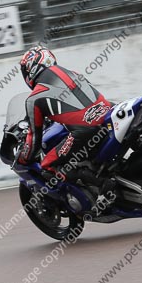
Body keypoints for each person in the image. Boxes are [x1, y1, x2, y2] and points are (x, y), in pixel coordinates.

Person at [16, 45, 114, 192]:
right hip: (109, 114)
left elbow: (34, 139)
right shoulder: (73, 73)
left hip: (85, 131)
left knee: (46, 166)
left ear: (31, 68)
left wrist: (23, 158)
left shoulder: (34, 98)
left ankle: (101, 185)